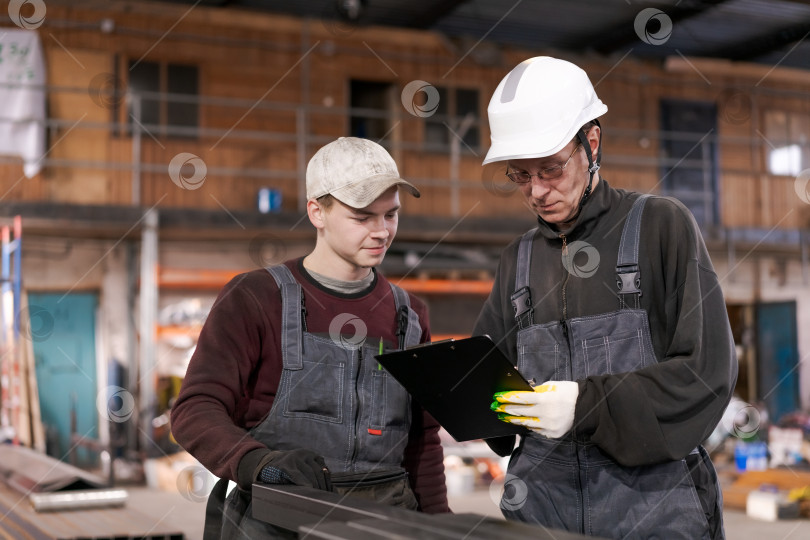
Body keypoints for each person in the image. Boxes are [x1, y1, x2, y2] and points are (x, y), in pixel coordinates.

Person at [474, 56, 738, 539]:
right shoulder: (519, 259)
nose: (536, 191)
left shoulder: (662, 227)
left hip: (652, 507)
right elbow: (488, 376)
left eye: (551, 169)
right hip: (542, 511)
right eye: (520, 174)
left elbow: (705, 375)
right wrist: (461, 395)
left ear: (590, 143)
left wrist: (586, 406)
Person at [171, 136, 449, 539]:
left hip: (386, 522)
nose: (381, 231)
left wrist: (439, 525)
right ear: (317, 211)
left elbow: (423, 438)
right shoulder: (255, 297)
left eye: (391, 215)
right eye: (362, 217)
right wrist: (257, 463)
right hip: (279, 517)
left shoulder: (410, 315)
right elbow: (195, 409)